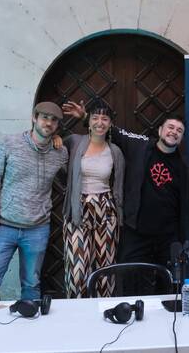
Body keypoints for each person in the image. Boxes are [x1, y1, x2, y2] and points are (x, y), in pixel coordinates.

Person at [62, 101, 189, 292]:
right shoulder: (140, 146)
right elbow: (114, 131)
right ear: (160, 130)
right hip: (136, 232)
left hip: (167, 237)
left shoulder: (185, 165)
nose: (174, 132)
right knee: (131, 282)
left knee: (168, 287)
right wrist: (85, 117)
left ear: (181, 138)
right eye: (170, 127)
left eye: (179, 130)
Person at [0, 102, 68, 300]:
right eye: (44, 117)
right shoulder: (10, 143)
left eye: (54, 120)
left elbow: (69, 175)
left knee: (31, 284)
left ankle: (30, 318)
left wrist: (60, 140)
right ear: (34, 118)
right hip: (3, 227)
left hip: (37, 228)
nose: (48, 123)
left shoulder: (60, 152)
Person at [61, 100, 125, 298]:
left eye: (105, 119)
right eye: (95, 118)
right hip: (77, 208)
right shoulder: (73, 142)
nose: (100, 122)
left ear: (110, 123)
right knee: (77, 269)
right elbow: (56, 155)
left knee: (105, 267)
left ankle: (104, 309)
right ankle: (77, 310)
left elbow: (119, 185)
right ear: (88, 121)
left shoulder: (115, 151)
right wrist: (55, 139)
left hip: (106, 209)